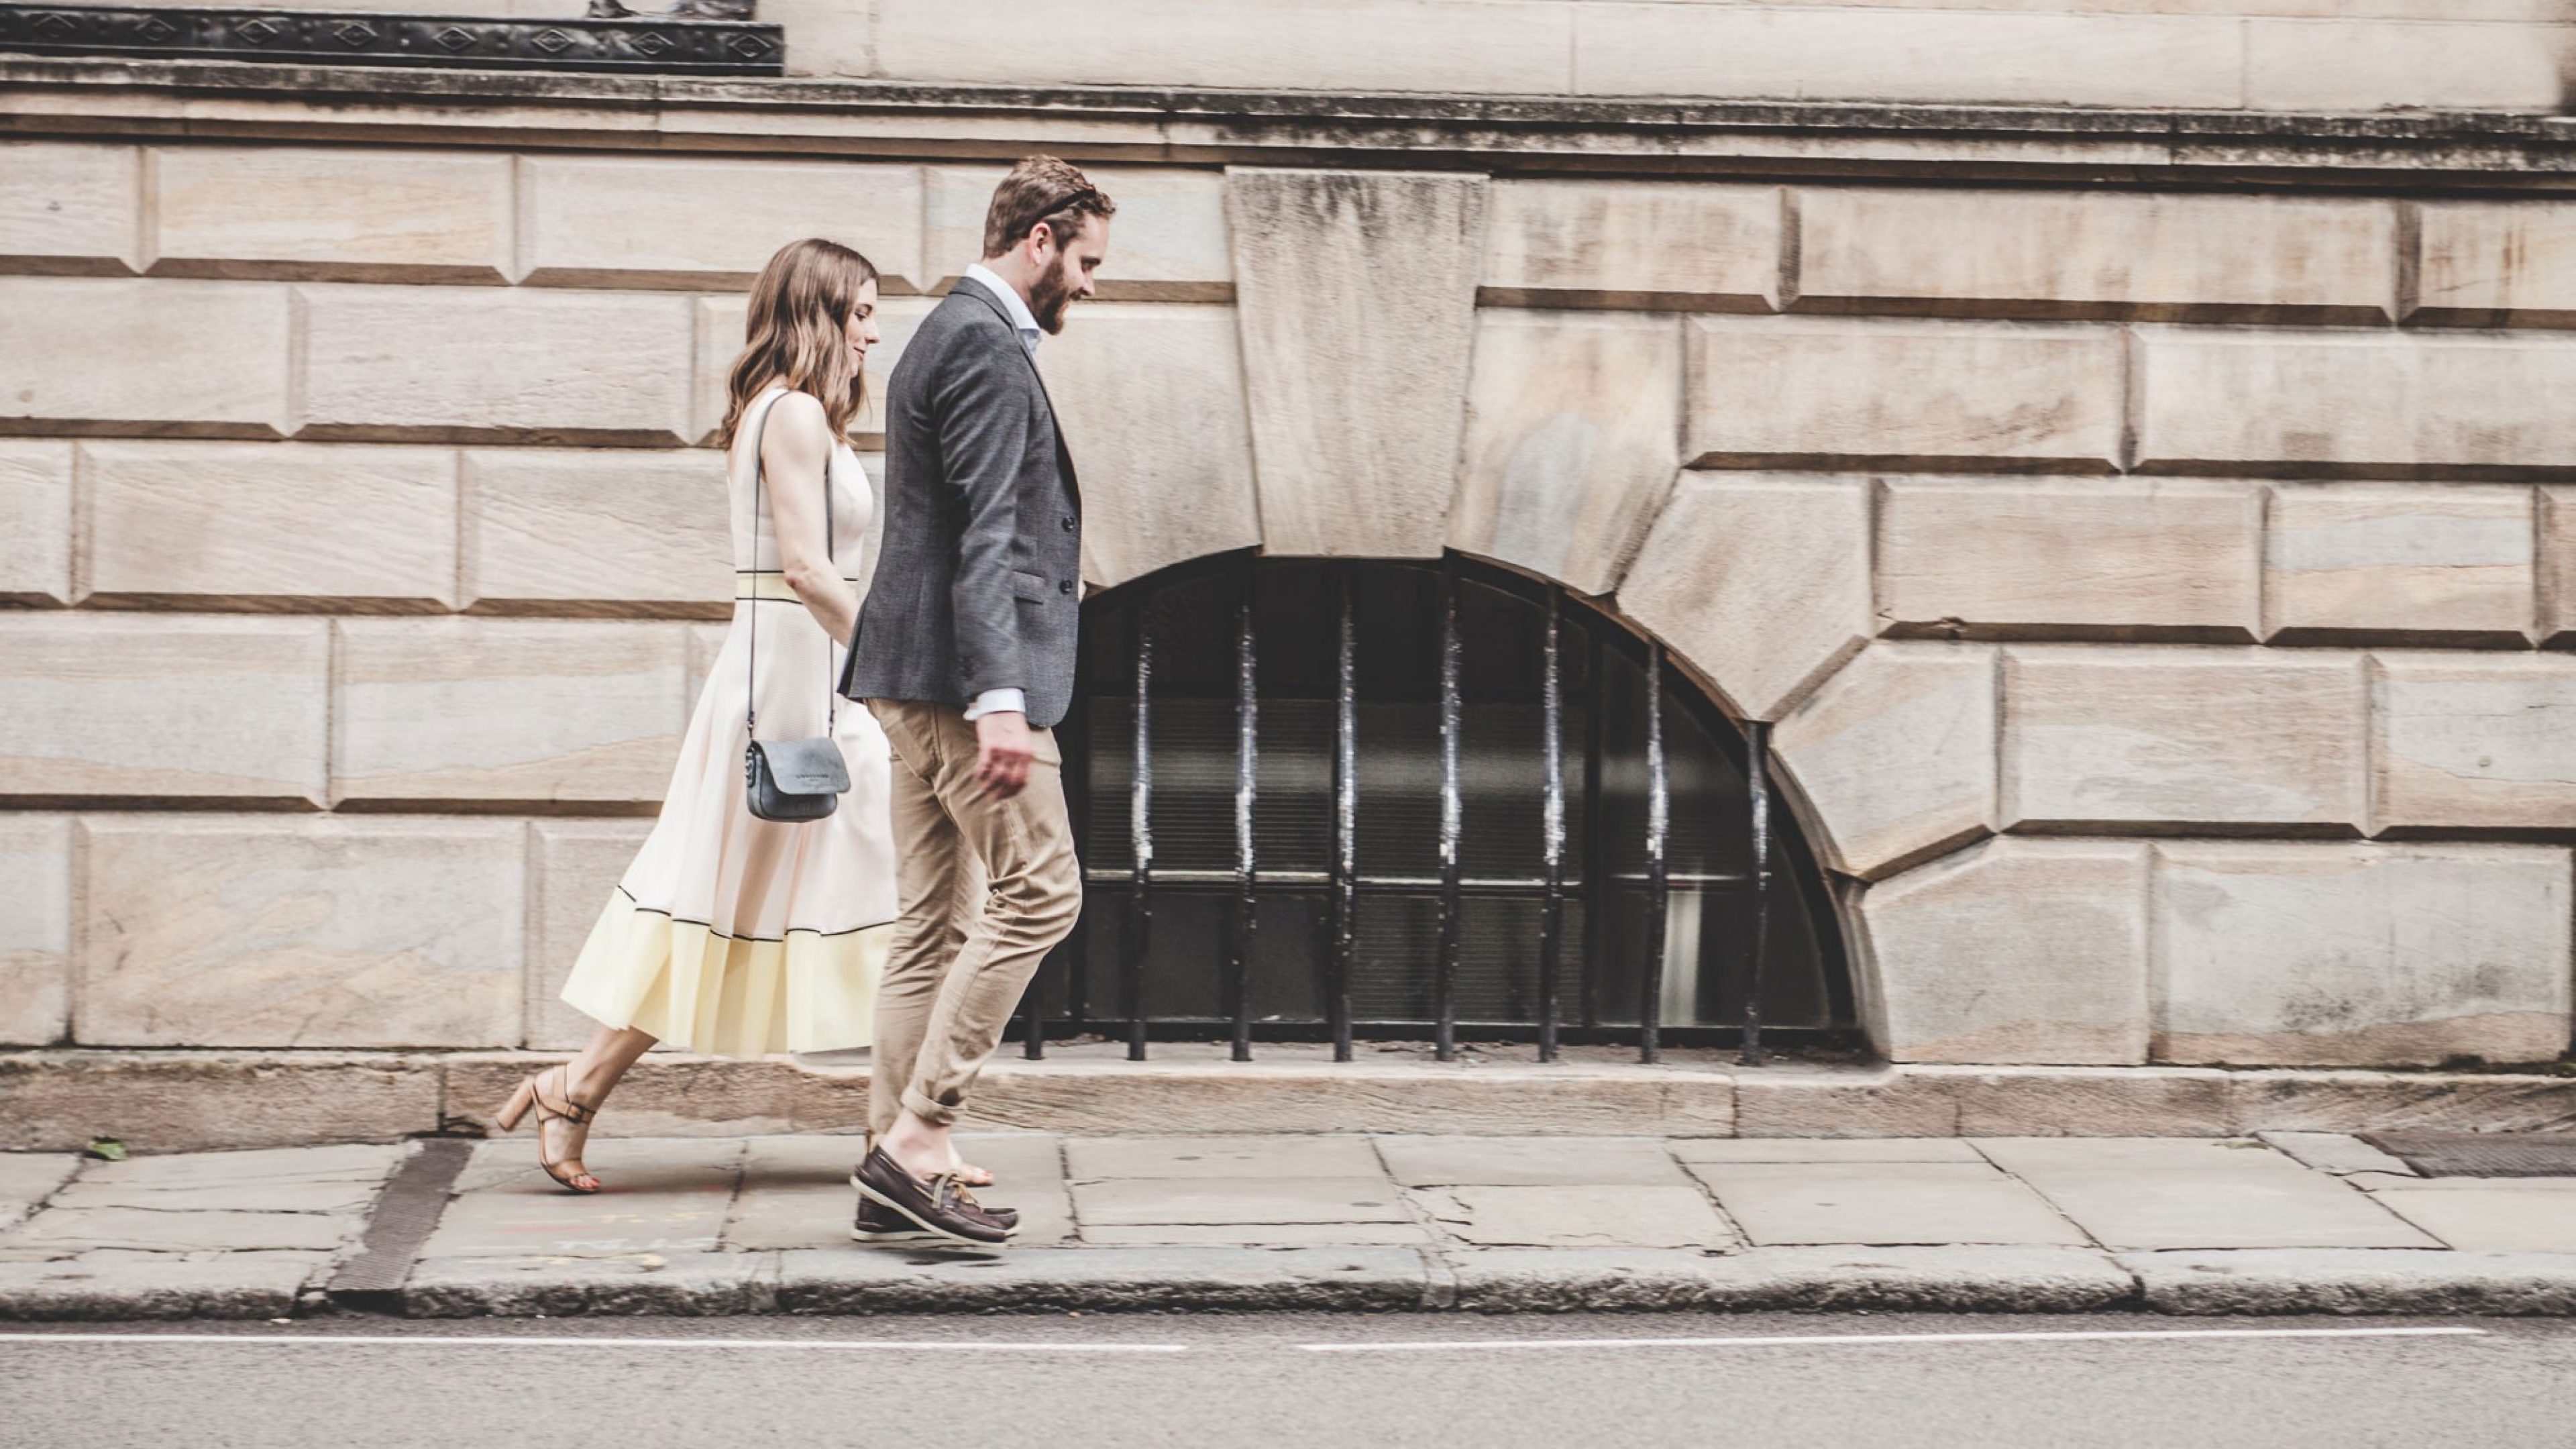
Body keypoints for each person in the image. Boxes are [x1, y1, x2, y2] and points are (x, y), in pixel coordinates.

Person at [495, 238, 898, 1193]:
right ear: (819, 313)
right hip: (794, 687)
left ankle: (912, 1129)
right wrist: (890, 664)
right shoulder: (793, 413)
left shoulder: (791, 413)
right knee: (734, 903)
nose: (875, 333)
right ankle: (914, 1133)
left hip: (806, 678)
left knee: (808, 897)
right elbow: (803, 569)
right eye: (863, 313)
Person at [841, 156, 1114, 1245]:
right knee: (1044, 895)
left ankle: (890, 1162)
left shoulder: (944, 333)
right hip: (963, 683)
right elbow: (989, 537)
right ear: (1039, 239)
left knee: (932, 925)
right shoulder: (988, 350)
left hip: (906, 674)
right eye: (1086, 262)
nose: (1090, 285)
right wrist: (1002, 698)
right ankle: (918, 1136)